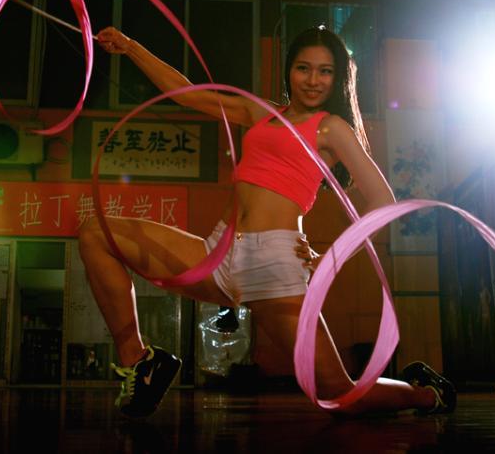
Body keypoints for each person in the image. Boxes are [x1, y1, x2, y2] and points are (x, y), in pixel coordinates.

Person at [78, 25, 454, 418]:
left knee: (337, 394)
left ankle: (427, 395)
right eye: (303, 68)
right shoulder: (261, 112)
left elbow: (383, 201)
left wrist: (330, 258)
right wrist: (131, 46)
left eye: (325, 71)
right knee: (96, 234)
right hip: (218, 251)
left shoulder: (332, 128)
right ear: (289, 70)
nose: (313, 80)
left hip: (274, 265)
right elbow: (187, 93)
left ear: (338, 78)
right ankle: (141, 361)